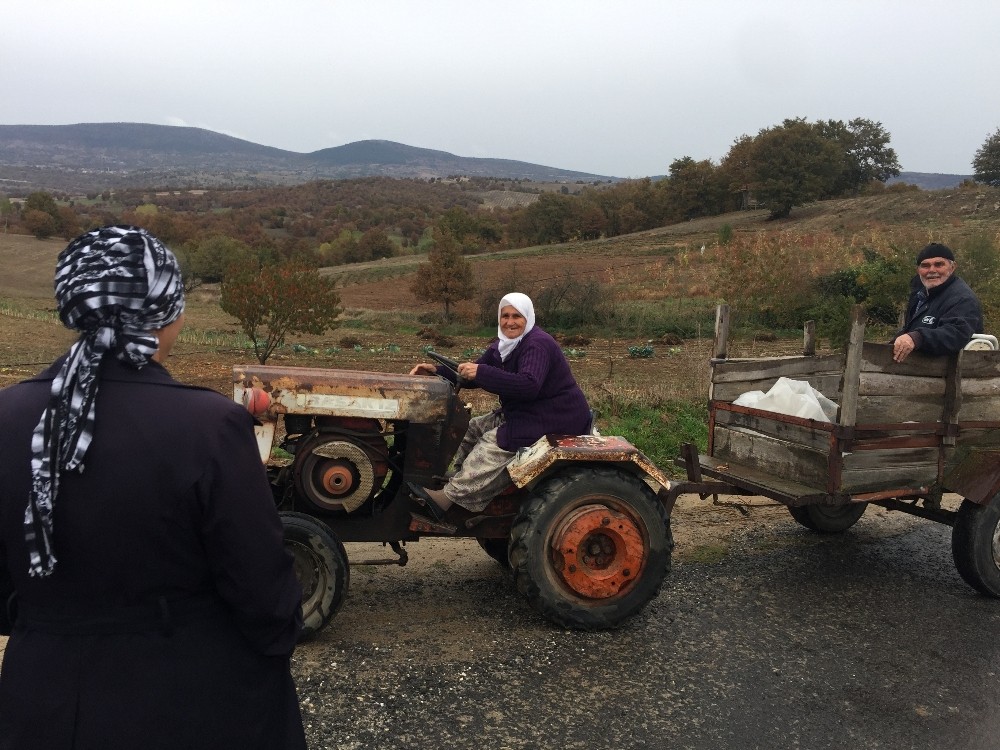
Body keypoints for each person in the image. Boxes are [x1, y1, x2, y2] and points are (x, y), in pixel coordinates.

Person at [0, 226, 307, 749]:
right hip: (186, 696)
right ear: (169, 313)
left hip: (43, 698)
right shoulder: (209, 426)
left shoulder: (7, 417)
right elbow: (264, 593)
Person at [408, 292, 591, 517]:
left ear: (528, 318)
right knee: (472, 426)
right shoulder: (505, 345)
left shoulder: (538, 344)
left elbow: (528, 385)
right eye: (505, 315)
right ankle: (457, 481)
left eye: (517, 316)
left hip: (557, 417)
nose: (510, 322)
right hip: (528, 411)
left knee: (495, 442)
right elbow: (475, 373)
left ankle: (450, 499)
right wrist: (437, 372)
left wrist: (482, 372)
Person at [891, 242, 984, 363]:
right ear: (918, 270)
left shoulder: (963, 298)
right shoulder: (920, 295)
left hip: (947, 372)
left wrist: (917, 337)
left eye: (939, 264)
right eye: (925, 266)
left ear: (953, 267)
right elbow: (908, 331)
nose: (932, 270)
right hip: (916, 366)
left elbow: (956, 334)